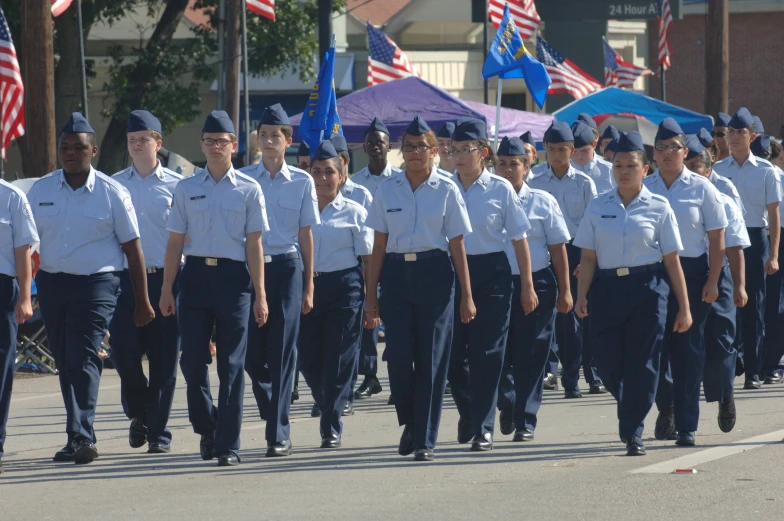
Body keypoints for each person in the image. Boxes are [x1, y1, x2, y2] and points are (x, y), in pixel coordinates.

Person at [28, 113, 155, 465]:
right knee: (65, 359)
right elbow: (26, 244)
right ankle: (77, 434)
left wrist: (142, 301)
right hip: (53, 283)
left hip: (98, 284)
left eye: (78, 147)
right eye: (65, 147)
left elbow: (133, 249)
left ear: (93, 150)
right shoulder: (41, 190)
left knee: (82, 354)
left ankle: (83, 435)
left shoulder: (113, 192)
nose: (71, 153)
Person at [160, 110, 269, 467]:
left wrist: (260, 293)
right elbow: (175, 243)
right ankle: (207, 424)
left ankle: (227, 445)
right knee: (192, 362)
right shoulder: (186, 187)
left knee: (232, 366)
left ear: (234, 146)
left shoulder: (250, 189)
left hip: (234, 281)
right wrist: (165, 289)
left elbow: (254, 245)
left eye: (222, 142)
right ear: (202, 145)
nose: (215, 147)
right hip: (194, 281)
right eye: (209, 141)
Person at [574, 131, 691, 456]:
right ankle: (632, 408)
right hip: (608, 289)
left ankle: (632, 433)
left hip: (648, 289)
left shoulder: (659, 206)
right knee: (609, 365)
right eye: (618, 166)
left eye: (630, 165)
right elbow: (588, 257)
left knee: (644, 363)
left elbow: (672, 260)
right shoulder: (598, 206)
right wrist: (581, 295)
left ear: (645, 169)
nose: (623, 171)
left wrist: (684, 307)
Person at [364, 115, 473, 462]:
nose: (414, 153)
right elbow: (378, 246)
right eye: (408, 147)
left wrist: (467, 296)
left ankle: (424, 437)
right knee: (397, 358)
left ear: (433, 151)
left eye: (421, 147)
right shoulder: (386, 189)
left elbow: (457, 246)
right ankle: (410, 422)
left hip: (435, 274)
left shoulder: (447, 189)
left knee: (431, 360)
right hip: (395, 275)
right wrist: (370, 296)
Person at [446, 119, 534, 452]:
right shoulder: (442, 186)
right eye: (453, 150)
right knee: (453, 355)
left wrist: (527, 285)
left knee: (487, 353)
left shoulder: (500, 188)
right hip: (453, 272)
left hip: (492, 273)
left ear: (483, 153)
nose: (458, 157)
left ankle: (484, 426)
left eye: (465, 150)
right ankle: (470, 411)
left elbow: (519, 239)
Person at [239, 104, 319, 457]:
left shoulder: (302, 181)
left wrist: (309, 283)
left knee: (283, 351)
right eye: (264, 135)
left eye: (277, 135)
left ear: (288, 140)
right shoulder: (241, 179)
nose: (270, 140)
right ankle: (272, 408)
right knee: (251, 355)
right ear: (257, 140)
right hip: (248, 270)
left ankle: (279, 432)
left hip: (287, 268)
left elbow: (306, 236)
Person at [644, 119, 727, 447]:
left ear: (685, 151)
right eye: (661, 148)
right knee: (654, 350)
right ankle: (668, 406)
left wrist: (713, 280)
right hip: (651, 276)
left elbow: (717, 238)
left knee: (689, 353)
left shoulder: (701, 188)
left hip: (692, 275)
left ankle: (687, 425)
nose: (667, 154)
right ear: (654, 152)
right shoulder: (644, 186)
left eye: (673, 148)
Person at [109, 110, 183, 454]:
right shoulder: (113, 185)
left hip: (166, 281)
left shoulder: (177, 186)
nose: (137, 145)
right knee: (124, 356)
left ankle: (159, 433)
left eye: (144, 139)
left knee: (164, 361)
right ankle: (139, 413)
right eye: (132, 140)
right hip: (124, 284)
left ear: (158, 143)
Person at [495, 137, 571, 442]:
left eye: (515, 164)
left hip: (536, 283)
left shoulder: (543, 201)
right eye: (502, 164)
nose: (508, 169)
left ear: (527, 167)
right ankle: (508, 399)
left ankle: (526, 419)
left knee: (532, 354)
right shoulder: (485, 198)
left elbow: (558, 247)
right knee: (495, 352)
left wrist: (566, 290)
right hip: (495, 284)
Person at [298, 140, 373, 448]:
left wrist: (370, 299)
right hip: (306, 288)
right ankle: (327, 399)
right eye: (316, 171)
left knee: (339, 357)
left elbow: (367, 259)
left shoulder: (355, 212)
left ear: (342, 175)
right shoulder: (300, 211)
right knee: (308, 357)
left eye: (329, 172)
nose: (322, 178)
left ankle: (331, 423)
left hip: (344, 288)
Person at [528, 122, 602, 398]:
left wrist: (588, 260)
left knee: (573, 318)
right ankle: (547, 371)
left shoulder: (584, 183)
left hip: (574, 251)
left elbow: (592, 224)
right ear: (544, 149)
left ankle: (572, 378)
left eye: (563, 149)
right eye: (552, 149)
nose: (557, 154)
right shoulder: (534, 180)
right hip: (542, 253)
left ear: (572, 150)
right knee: (545, 317)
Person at [712, 108, 781, 389]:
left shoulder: (767, 171)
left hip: (756, 239)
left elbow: (774, 215)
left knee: (754, 307)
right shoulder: (718, 169)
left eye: (741, 133)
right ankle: (733, 361)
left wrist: (774, 254)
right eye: (732, 133)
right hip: (726, 240)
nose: (736, 137)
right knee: (727, 305)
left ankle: (753, 370)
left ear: (752, 136)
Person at [684, 138, 748, 433]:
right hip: (681, 277)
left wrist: (740, 286)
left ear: (709, 170)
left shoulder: (724, 200)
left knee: (721, 343)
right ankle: (674, 409)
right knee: (680, 347)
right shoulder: (666, 197)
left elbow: (734, 247)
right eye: (687, 165)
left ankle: (725, 395)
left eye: (696, 166)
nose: (690, 171)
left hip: (717, 276)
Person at [352, 117, 402, 401]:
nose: (374, 147)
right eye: (370, 142)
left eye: (379, 142)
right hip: (366, 260)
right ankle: (370, 376)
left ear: (389, 146)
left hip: (392, 255)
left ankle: (398, 375)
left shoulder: (399, 181)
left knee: (395, 320)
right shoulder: (356, 183)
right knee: (367, 317)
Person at [0, 176, 38, 474]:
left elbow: (23, 249)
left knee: (2, 367)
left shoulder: (12, 197)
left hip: (3, 286)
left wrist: (25, 296)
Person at [754, 137, 784, 384]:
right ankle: (765, 362)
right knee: (769, 305)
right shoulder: (769, 175)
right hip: (768, 239)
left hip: (776, 240)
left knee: (775, 307)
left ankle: (770, 363)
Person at [571, 121, 615, 195]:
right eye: (574, 151)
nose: (579, 155)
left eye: (584, 150)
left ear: (594, 145)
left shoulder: (610, 171)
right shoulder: (563, 171)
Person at [330, 134, 372, 211]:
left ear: (346, 162)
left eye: (337, 161)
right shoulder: (318, 194)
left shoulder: (361, 195)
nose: (333, 165)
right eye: (330, 161)